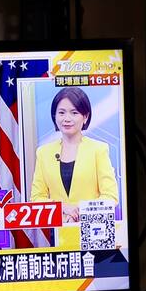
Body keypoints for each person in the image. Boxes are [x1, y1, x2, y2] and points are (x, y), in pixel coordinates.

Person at [30, 86, 118, 223]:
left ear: (85, 117)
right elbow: (36, 198)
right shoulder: (43, 153)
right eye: (61, 112)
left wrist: (78, 210)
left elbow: (111, 197)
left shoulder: (98, 150)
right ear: (54, 116)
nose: (67, 118)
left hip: (93, 229)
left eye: (74, 112)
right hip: (58, 230)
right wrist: (63, 207)